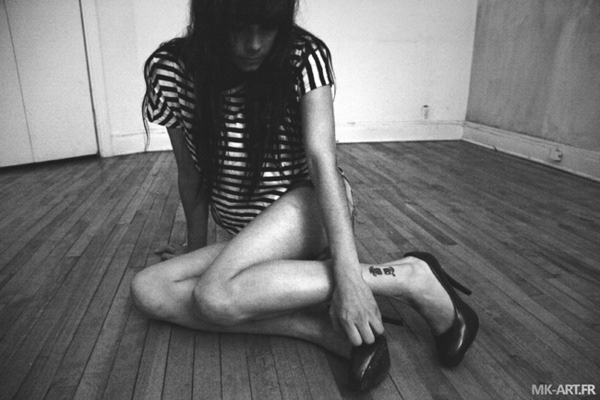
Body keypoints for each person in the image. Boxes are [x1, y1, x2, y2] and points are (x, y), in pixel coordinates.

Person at [131, 0, 479, 391]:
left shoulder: (304, 58)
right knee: (149, 290)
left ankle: (408, 276)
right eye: (239, 27)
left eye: (268, 27)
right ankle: (322, 330)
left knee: (212, 295)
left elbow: (321, 161)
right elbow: (190, 173)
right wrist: (193, 252)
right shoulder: (171, 71)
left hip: (305, 210)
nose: (255, 44)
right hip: (249, 238)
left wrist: (350, 279)